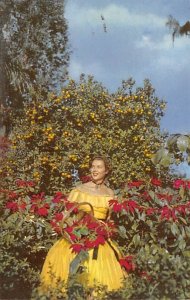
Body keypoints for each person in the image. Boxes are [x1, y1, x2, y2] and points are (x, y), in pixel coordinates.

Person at [40, 156, 125, 291]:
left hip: (99, 240)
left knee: (101, 275)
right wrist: (71, 229)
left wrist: (108, 229)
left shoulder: (110, 193)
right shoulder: (79, 190)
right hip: (78, 236)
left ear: (106, 171)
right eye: (93, 166)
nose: (94, 170)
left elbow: (109, 219)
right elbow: (67, 215)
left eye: (99, 167)